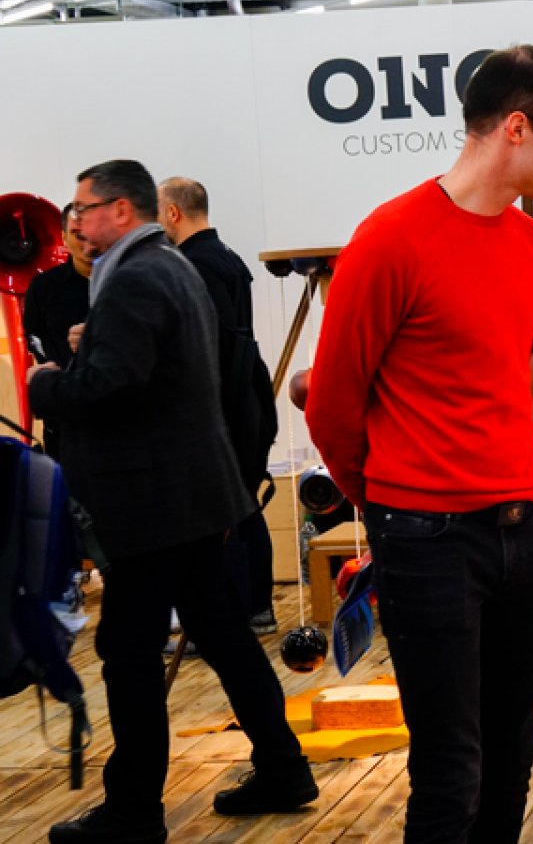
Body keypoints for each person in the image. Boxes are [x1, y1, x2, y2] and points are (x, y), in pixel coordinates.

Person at [306, 44, 533, 844]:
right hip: (427, 538)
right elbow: (332, 404)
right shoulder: (391, 238)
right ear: (518, 127)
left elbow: (505, 386)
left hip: (525, 531)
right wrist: (391, 502)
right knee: (449, 770)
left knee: (512, 753)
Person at [29, 159, 316, 844]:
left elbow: (111, 389)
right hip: (191, 498)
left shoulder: (134, 277)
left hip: (150, 506)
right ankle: (283, 768)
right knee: (224, 637)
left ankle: (133, 812)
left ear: (120, 210)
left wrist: (46, 384)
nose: (76, 222)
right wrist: (94, 344)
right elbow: (151, 371)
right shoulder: (170, 266)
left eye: (84, 208)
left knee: (128, 653)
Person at [158, 177, 278, 634]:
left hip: (225, 405)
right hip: (245, 398)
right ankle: (256, 606)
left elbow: (213, 348)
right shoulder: (227, 257)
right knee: (243, 506)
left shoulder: (196, 266)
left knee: (228, 511)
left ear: (173, 213)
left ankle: (236, 612)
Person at [22, 203, 91, 458]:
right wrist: (45, 367)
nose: (85, 240)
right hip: (62, 415)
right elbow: (34, 336)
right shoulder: (43, 286)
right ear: (63, 238)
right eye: (76, 233)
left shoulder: (124, 282)